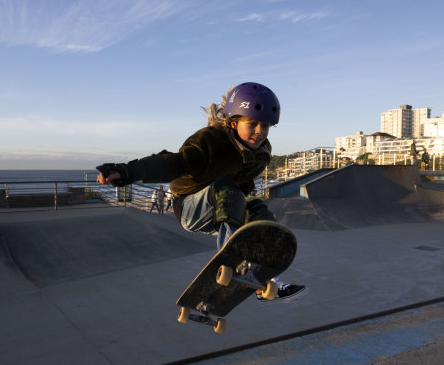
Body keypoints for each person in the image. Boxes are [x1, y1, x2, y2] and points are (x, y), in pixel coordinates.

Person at [96, 82, 306, 302]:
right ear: (233, 123)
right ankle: (233, 261)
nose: (259, 133)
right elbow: (171, 164)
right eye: (252, 124)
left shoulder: (262, 154)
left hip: (222, 210)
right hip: (189, 207)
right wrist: (125, 171)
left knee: (258, 211)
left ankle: (264, 279)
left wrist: (254, 220)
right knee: (226, 188)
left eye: (265, 126)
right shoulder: (209, 142)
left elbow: (243, 186)